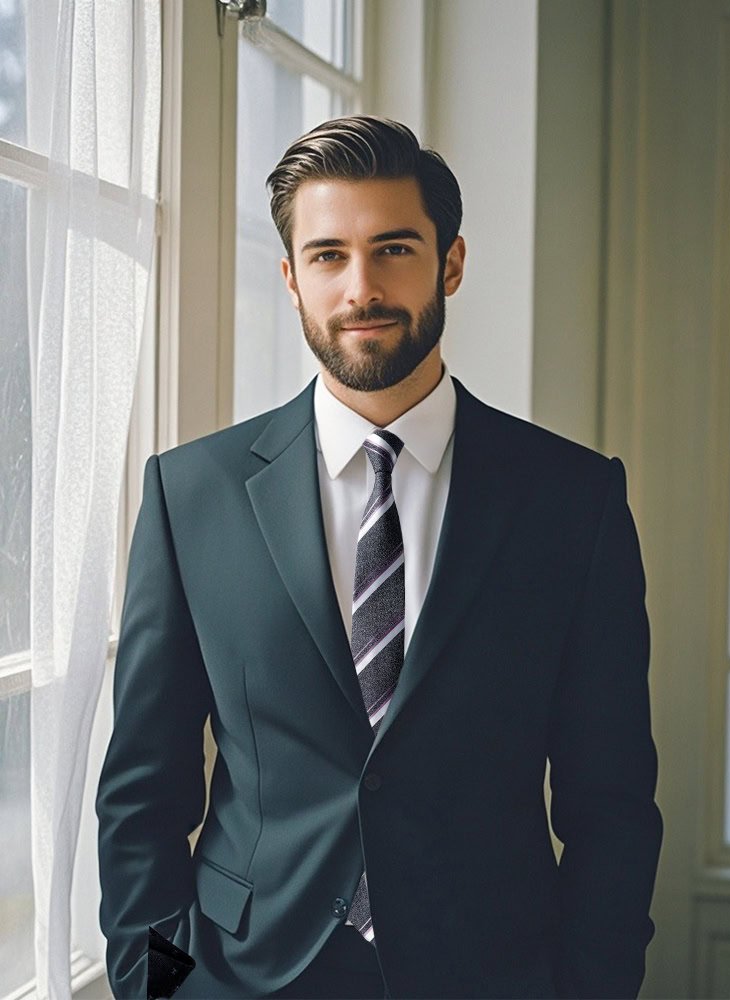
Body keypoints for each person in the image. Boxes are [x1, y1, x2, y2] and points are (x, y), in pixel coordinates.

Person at [96, 115, 662, 1000]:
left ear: (452, 263)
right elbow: (143, 790)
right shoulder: (189, 494)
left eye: (394, 248)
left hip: (494, 973)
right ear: (290, 279)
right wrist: (152, 986)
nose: (361, 287)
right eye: (327, 255)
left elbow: (613, 804)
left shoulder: (573, 501)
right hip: (242, 977)